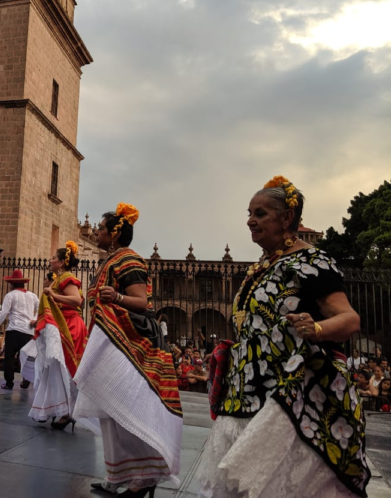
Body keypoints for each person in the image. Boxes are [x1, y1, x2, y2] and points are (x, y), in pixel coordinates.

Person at [198, 176, 369, 497]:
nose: (250, 220)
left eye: (260, 213)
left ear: (287, 218)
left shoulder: (312, 262)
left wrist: (316, 328)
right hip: (246, 391)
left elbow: (349, 319)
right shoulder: (262, 265)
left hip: (292, 394)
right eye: (249, 213)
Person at [75, 204, 182, 497]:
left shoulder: (130, 261)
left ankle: (145, 476)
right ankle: (119, 473)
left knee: (123, 406)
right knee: (109, 406)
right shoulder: (112, 260)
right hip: (109, 338)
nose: (96, 231)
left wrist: (118, 295)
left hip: (128, 341)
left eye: (101, 228)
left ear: (115, 233)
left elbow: (142, 302)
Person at [29, 241, 87, 430]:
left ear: (61, 263)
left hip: (69, 325)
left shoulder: (67, 278)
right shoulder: (59, 279)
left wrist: (54, 296)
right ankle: (57, 408)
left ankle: (67, 412)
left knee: (64, 368)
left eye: (53, 258)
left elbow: (77, 301)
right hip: (62, 325)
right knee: (55, 367)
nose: (50, 260)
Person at [0, 269, 39, 390]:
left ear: (12, 284)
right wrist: (35, 319)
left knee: (10, 357)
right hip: (28, 331)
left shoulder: (10, 295)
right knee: (26, 357)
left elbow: (4, 313)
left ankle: (9, 382)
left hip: (14, 330)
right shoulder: (33, 296)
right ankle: (26, 379)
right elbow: (41, 308)